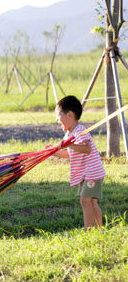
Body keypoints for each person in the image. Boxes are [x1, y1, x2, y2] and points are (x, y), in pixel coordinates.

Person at [46, 95, 106, 230]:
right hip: (87, 173)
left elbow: (87, 148)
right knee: (92, 202)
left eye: (58, 115)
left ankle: (89, 230)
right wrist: (54, 152)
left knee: (85, 201)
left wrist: (70, 144)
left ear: (70, 115)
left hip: (92, 173)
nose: (56, 119)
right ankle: (98, 229)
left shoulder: (80, 131)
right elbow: (70, 154)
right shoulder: (69, 134)